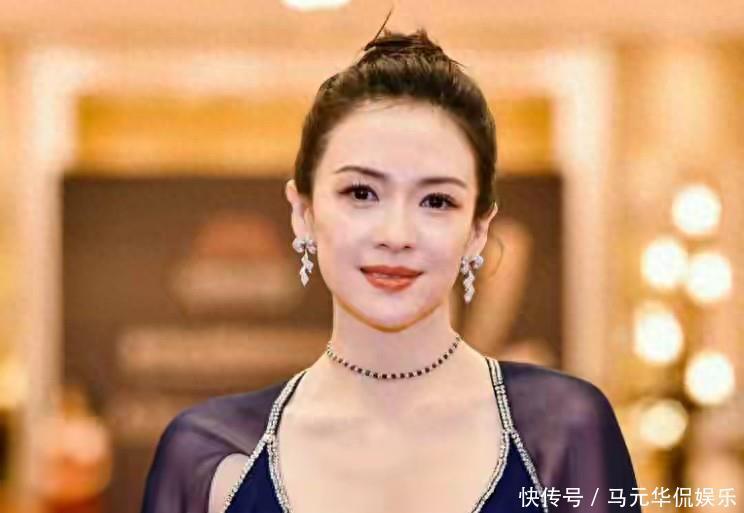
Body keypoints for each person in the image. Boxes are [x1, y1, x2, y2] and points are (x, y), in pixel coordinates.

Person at [140, 23, 641, 513]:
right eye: (361, 193)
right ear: (304, 212)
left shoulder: (561, 429)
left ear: (478, 230)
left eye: (437, 201)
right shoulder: (212, 456)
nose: (397, 234)